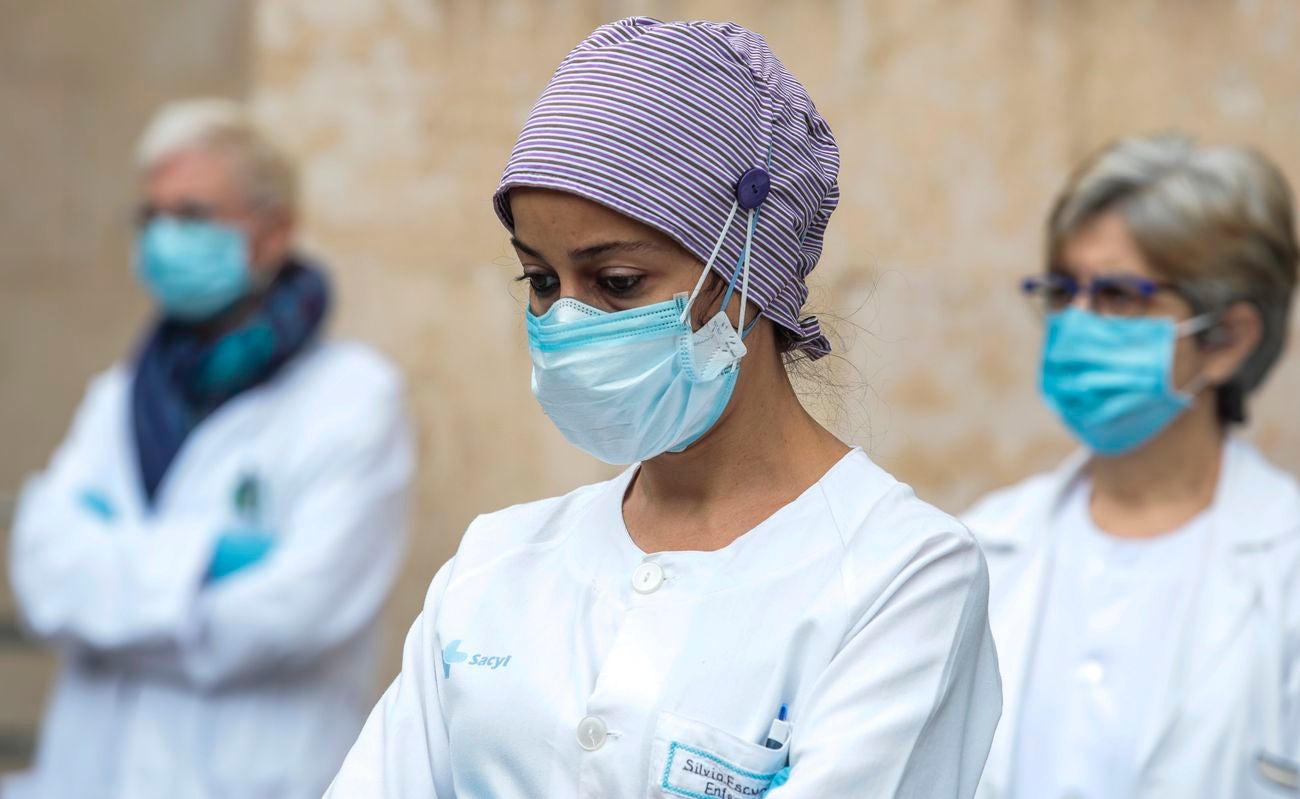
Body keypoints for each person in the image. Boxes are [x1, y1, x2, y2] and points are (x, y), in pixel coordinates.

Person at [327, 17, 1000, 798]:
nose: (565, 324)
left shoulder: (900, 576)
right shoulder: (495, 564)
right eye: (541, 282)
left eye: (616, 283)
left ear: (750, 266)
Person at [7, 98, 415, 799]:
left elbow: (298, 612)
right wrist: (207, 564)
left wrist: (108, 575)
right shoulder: (121, 392)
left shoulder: (355, 399)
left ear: (273, 232)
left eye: (192, 216)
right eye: (150, 216)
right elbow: (40, 574)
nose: (165, 236)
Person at [965, 134, 1300, 799]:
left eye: (1120, 297)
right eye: (1063, 291)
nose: (1077, 323)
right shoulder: (979, 547)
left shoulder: (1287, 566)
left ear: (1228, 339)